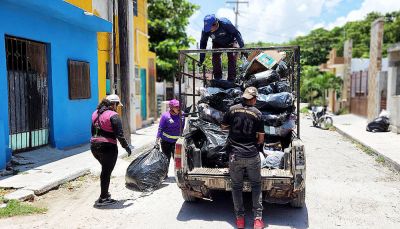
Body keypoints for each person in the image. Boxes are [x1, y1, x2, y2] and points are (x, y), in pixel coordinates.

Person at [221, 87, 265, 229]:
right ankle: (257, 219)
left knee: (237, 186)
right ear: (253, 99)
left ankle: (240, 218)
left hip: (235, 155)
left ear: (244, 97)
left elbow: (223, 127)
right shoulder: (257, 114)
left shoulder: (232, 109)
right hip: (252, 154)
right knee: (256, 185)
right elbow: (261, 139)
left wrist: (234, 130)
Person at [90, 94, 132, 207]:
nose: (117, 107)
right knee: (106, 172)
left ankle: (105, 194)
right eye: (117, 105)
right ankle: (103, 198)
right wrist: (127, 147)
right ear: (113, 104)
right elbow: (120, 135)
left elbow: (92, 131)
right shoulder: (114, 115)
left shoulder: (95, 113)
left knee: (105, 170)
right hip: (108, 147)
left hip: (94, 146)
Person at [198, 14, 245, 82]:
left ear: (215, 24)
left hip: (230, 41)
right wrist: (201, 59)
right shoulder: (205, 31)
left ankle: (231, 80)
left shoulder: (225, 23)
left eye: (210, 28)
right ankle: (218, 78)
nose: (209, 30)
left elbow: (236, 33)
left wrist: (242, 47)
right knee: (215, 57)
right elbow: (203, 43)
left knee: (232, 57)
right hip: (217, 43)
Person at [156, 99, 185, 176]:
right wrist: (157, 139)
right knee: (166, 159)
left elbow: (183, 127)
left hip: (177, 142)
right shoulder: (165, 116)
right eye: (176, 107)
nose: (178, 108)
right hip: (166, 142)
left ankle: (178, 175)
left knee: (177, 159)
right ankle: (165, 174)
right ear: (171, 107)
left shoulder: (182, 115)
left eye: (179, 106)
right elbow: (160, 128)